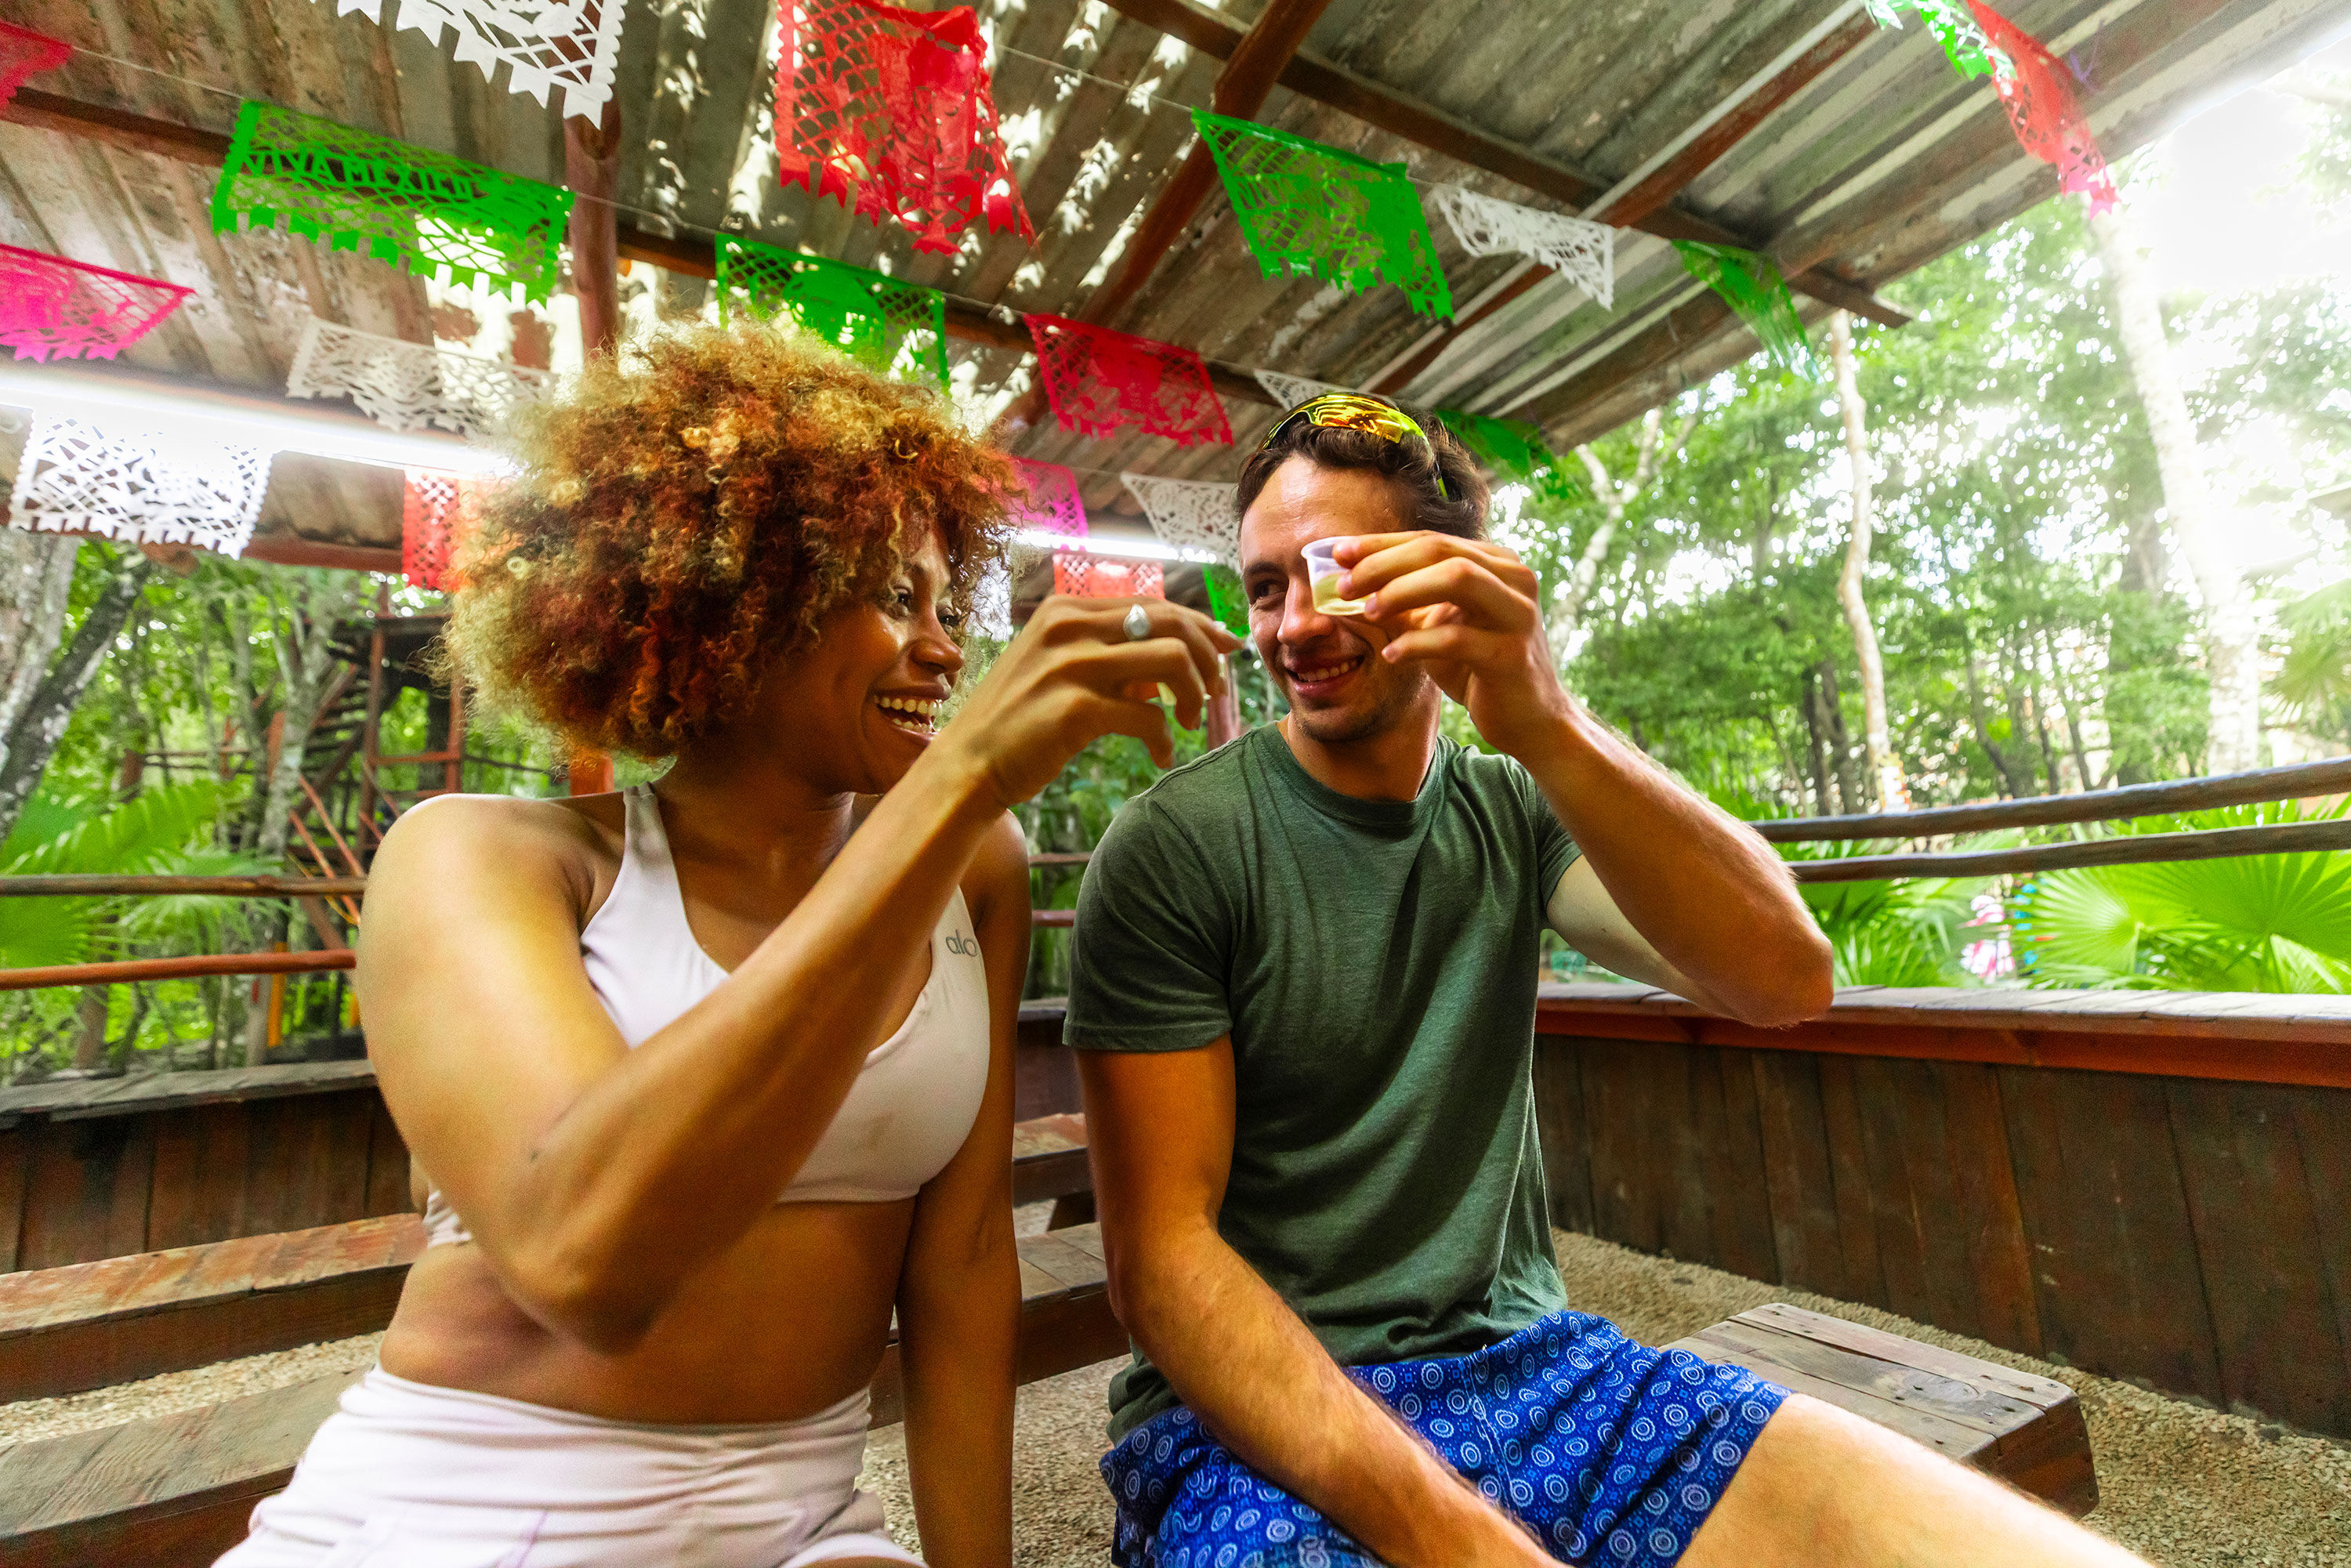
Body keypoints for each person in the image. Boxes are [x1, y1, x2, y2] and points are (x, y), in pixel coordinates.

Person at [215, 324, 1239, 1568]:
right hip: (474, 1498)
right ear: (730, 607)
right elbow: (584, 1257)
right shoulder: (483, 859)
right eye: (882, 594)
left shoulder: (977, 867)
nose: (940, 644)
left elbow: (964, 1263)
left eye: (940, 600)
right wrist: (958, 780)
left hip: (799, 1516)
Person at [1066, 395, 2146, 1568]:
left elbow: (1785, 978)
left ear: (1456, 578)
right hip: (1256, 1427)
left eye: (1338, 570)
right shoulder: (1174, 845)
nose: (1296, 623)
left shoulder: (1516, 810)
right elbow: (1161, 1263)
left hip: (1547, 1374)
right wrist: (1474, 1545)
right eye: (1266, 585)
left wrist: (1545, 715)